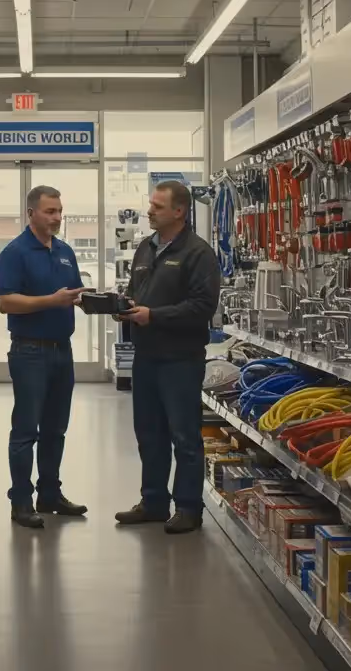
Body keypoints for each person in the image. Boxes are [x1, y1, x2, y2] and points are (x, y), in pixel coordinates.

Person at [114, 180, 221, 534]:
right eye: (151, 204)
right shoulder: (145, 248)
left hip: (180, 360)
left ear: (179, 211)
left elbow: (202, 307)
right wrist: (125, 308)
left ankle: (188, 508)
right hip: (145, 357)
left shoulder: (198, 254)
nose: (150, 211)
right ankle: (154, 502)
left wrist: (154, 316)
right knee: (149, 435)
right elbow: (136, 293)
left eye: (157, 206)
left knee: (184, 437)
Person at [0, 185, 90, 529]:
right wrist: (51, 301)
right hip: (29, 352)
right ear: (31, 213)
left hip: (62, 350)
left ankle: (49, 494)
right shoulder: (15, 253)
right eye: (50, 211)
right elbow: (5, 301)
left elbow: (73, 294)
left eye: (60, 211)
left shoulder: (65, 251)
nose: (57, 217)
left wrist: (98, 302)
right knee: (26, 429)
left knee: (55, 429)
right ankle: (21, 501)